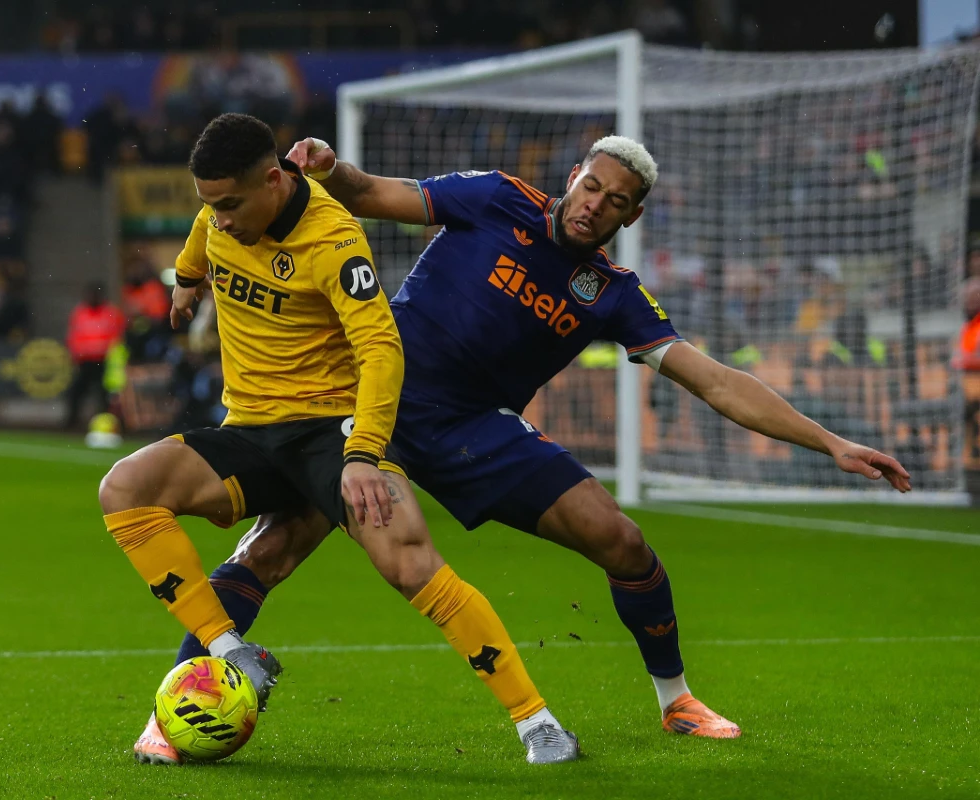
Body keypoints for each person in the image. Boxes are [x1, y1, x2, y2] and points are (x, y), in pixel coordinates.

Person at [146, 133, 914, 751]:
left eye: (616, 202)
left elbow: (715, 381)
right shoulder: (494, 197)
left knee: (622, 540)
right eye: (592, 187)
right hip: (368, 404)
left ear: (631, 217)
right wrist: (330, 166)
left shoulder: (612, 293)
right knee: (273, 548)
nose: (596, 205)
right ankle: (172, 711)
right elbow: (370, 193)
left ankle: (676, 700)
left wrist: (829, 443)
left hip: (474, 428)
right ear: (573, 177)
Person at [102, 114, 575, 767]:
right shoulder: (221, 217)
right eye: (210, 204)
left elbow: (381, 349)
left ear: (274, 181)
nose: (220, 219)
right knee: (124, 487)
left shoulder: (334, 240)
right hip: (251, 429)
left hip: (332, 430)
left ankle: (537, 723)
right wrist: (186, 279)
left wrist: (362, 455)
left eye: (231, 204)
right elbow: (204, 233)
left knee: (407, 561)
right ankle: (229, 653)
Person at [64, 282, 125, 429]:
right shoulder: (80, 313)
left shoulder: (111, 313)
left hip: (105, 361)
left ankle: (108, 422)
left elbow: (117, 336)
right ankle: (71, 422)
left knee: (104, 395)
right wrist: (75, 355)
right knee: (76, 392)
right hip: (84, 361)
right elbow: (73, 336)